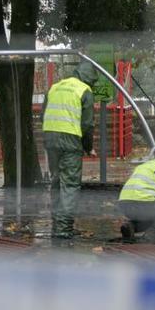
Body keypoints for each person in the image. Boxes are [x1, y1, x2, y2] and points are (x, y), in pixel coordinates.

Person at [42, 61, 99, 239]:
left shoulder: (55, 87)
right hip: (70, 141)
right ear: (89, 78)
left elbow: (44, 113)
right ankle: (63, 229)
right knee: (70, 184)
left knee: (57, 181)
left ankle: (56, 224)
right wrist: (88, 147)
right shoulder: (84, 90)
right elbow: (87, 124)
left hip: (50, 139)